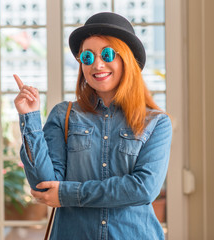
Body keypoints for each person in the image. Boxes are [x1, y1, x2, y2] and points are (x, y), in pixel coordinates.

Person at [14, 12, 172, 240]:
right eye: (87, 57)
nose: (97, 64)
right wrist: (30, 118)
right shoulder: (63, 114)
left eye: (107, 54)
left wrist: (69, 193)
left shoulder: (156, 122)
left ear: (126, 59)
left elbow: (143, 188)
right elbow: (44, 186)